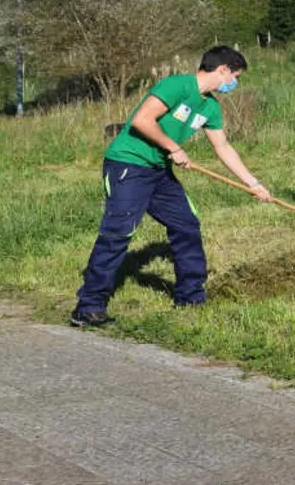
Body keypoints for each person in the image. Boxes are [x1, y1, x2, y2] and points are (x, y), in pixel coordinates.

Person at [71, 46, 271, 327]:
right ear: (223, 69)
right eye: (235, 76)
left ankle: (190, 297)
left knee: (187, 225)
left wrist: (253, 184)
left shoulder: (211, 106)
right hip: (128, 165)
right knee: (118, 233)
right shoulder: (176, 85)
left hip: (159, 171)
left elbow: (223, 147)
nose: (233, 84)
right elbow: (142, 120)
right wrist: (173, 147)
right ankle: (89, 305)